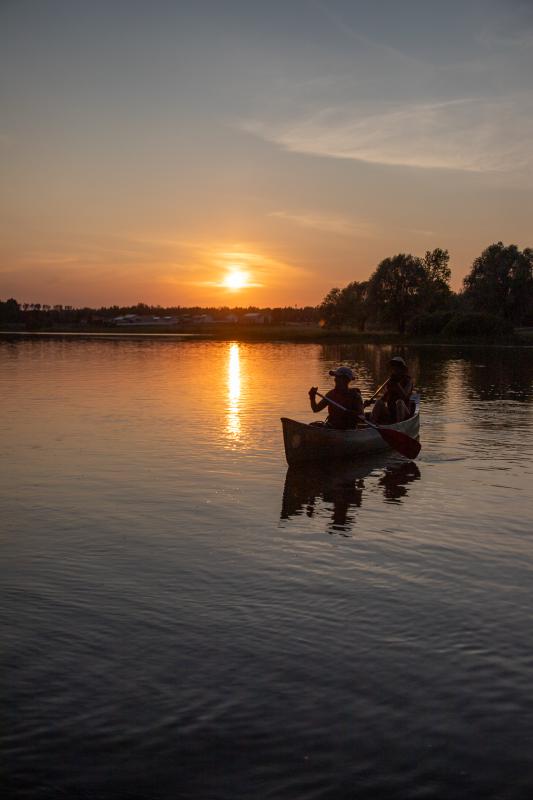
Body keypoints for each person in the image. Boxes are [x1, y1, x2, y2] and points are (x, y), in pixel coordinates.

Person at [368, 356, 413, 424]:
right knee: (379, 402)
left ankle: (399, 426)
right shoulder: (390, 381)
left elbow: (405, 397)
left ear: (402, 369)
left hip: (404, 412)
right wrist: (371, 402)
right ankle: (371, 425)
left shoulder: (408, 381)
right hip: (391, 412)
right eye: (393, 367)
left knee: (399, 402)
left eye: (397, 366)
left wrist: (397, 384)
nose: (395, 369)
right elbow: (384, 398)